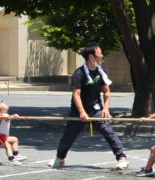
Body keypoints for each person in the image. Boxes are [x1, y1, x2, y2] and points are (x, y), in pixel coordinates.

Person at [54, 42, 129, 170]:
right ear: (91, 57)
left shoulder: (101, 71)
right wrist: (82, 112)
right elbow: (76, 95)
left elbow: (106, 92)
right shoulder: (79, 73)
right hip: (78, 111)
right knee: (68, 136)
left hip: (95, 109)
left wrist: (106, 108)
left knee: (108, 131)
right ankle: (60, 158)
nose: (102, 57)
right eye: (100, 55)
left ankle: (122, 158)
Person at [0, 100, 27, 164]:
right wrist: (12, 116)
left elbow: (8, 117)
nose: (3, 104)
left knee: (14, 139)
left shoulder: (5, 114)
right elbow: (5, 117)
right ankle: (12, 159)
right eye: (1, 104)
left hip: (2, 136)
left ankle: (16, 155)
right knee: (7, 145)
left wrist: (14, 115)